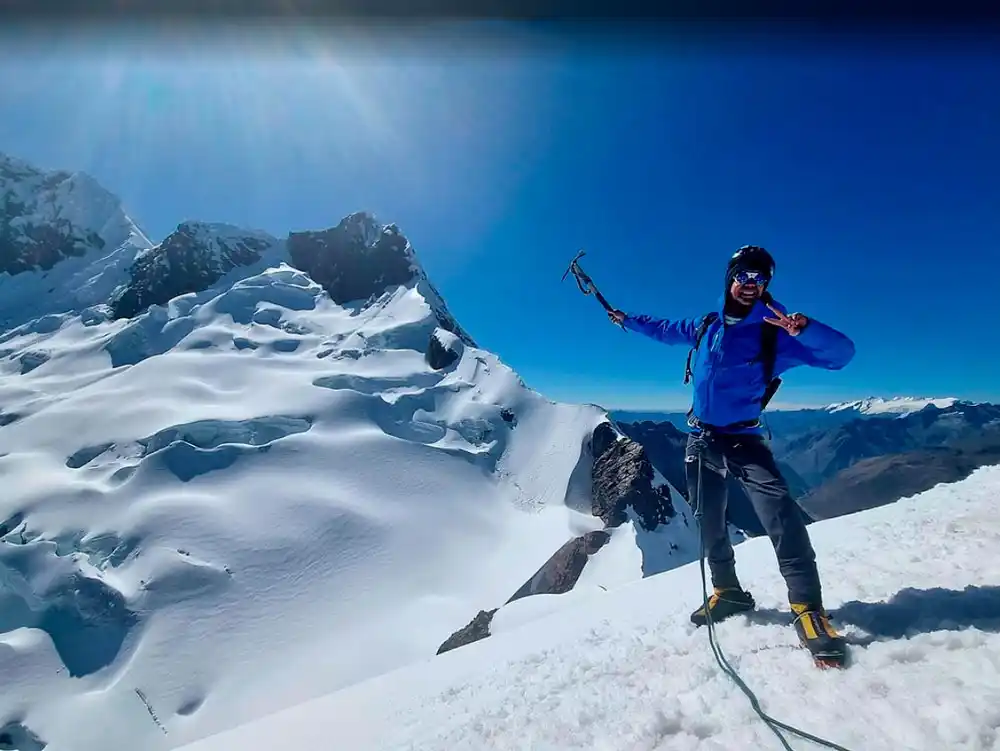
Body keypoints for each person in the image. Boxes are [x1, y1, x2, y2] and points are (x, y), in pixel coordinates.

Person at [608, 245, 855, 660]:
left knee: (780, 514)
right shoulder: (707, 326)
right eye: (744, 275)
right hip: (700, 438)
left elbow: (840, 356)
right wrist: (627, 321)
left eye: (760, 279)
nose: (750, 284)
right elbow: (665, 329)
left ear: (766, 286)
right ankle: (728, 592)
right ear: (730, 278)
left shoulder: (774, 334)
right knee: (708, 519)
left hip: (743, 439)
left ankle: (808, 609)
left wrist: (805, 329)